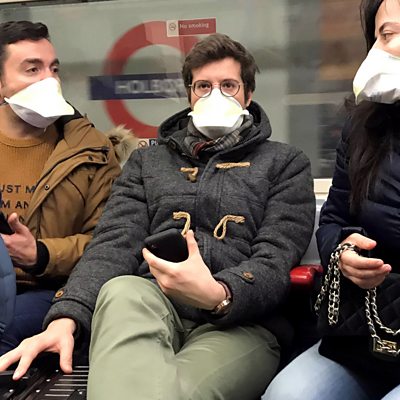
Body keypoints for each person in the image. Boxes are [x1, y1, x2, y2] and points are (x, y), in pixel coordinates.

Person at [0, 33, 315, 400]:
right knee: (121, 289)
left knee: (171, 392)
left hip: (241, 322)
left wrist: (219, 293)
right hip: (151, 303)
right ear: (189, 95)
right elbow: (113, 244)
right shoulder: (148, 162)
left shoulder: (285, 163)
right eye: (203, 86)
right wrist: (66, 316)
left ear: (248, 95)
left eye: (228, 86)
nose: (215, 96)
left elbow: (275, 258)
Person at [263, 0, 400, 399]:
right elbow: (334, 217)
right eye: (386, 34)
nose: (393, 45)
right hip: (367, 329)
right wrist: (343, 251)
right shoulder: (361, 128)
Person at [0, 21, 121, 355]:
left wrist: (39, 254)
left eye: (53, 69)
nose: (49, 81)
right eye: (32, 69)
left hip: (51, 290)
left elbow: (109, 242)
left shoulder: (92, 150)